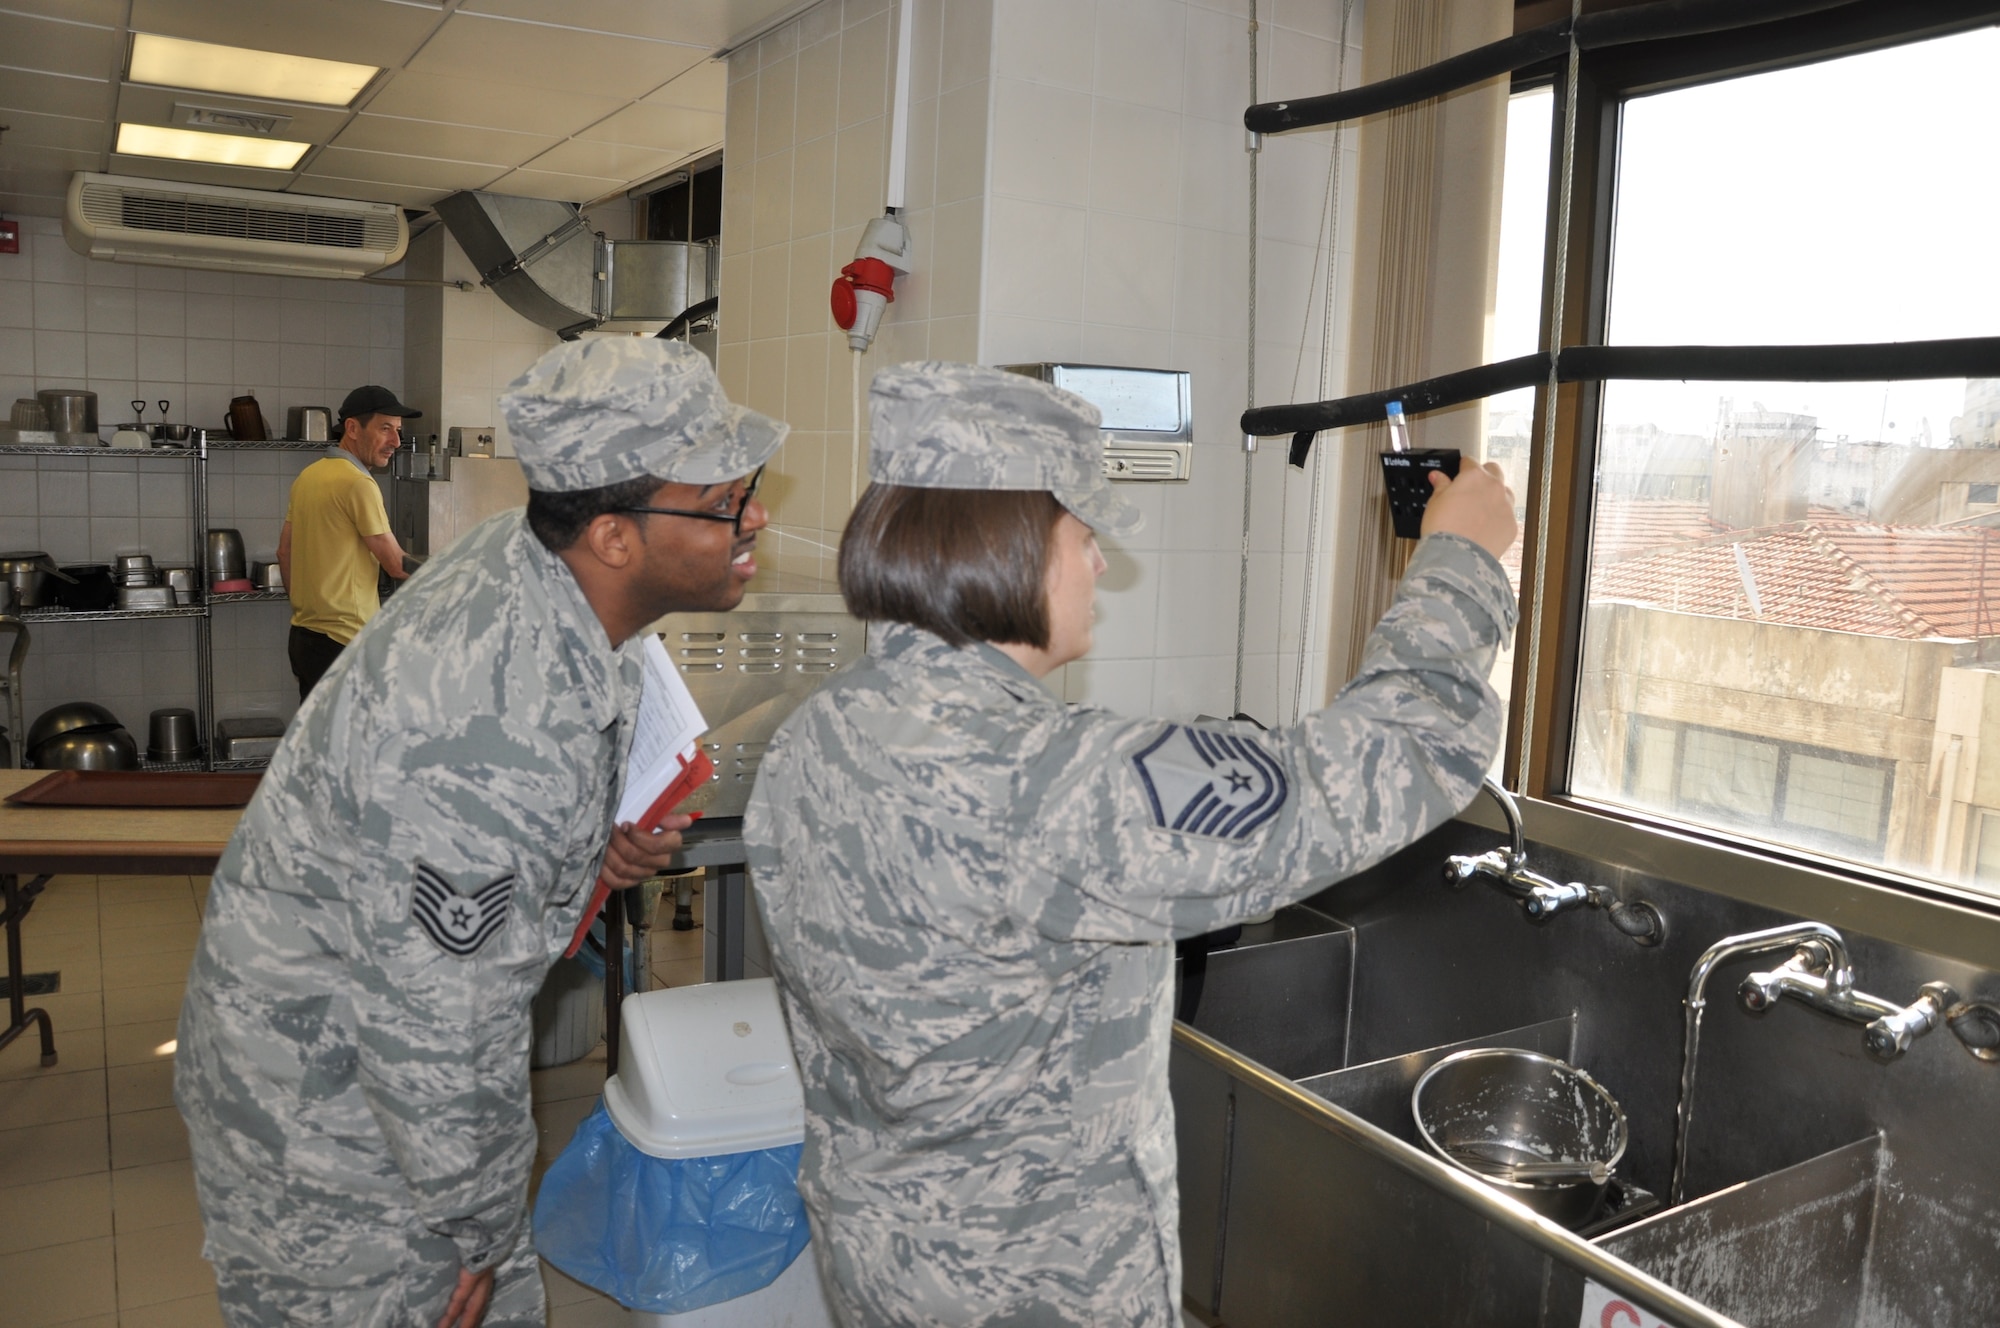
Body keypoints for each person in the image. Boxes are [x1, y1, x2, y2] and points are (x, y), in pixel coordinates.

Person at [744, 362, 1519, 1327]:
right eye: (1082, 535)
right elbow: (1396, 755)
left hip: (888, 1261)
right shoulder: (1036, 777)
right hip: (1035, 1290)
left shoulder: (819, 734)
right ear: (1010, 547)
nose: (1098, 562)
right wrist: (1462, 563)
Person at [175, 339, 785, 1328]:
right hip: (332, 1105)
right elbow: (440, 1022)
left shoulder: (545, 567)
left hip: (384, 1051)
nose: (754, 515)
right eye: (722, 501)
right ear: (615, 537)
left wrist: (598, 845)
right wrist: (478, 1223)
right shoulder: (489, 715)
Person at [277, 384, 419, 699]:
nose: (395, 441)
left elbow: (284, 554)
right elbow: (396, 564)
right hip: (345, 643)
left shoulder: (309, 477)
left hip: (305, 638)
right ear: (353, 428)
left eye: (397, 431)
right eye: (385, 429)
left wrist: (310, 607)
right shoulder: (358, 484)